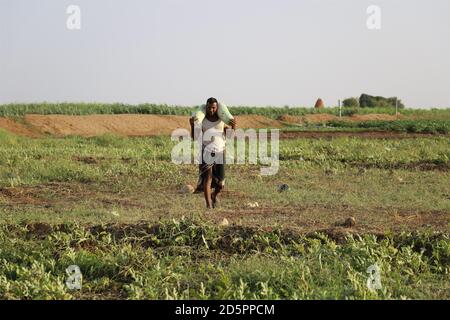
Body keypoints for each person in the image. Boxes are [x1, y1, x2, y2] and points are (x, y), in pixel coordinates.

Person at [189, 97, 236, 209]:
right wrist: (192, 125)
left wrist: (234, 126)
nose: (211, 110)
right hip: (206, 151)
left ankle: (214, 195)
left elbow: (229, 136)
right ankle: (209, 206)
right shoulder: (202, 120)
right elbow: (195, 137)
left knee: (220, 184)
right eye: (209, 108)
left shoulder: (221, 119)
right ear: (206, 107)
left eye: (214, 108)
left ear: (217, 107)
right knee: (207, 178)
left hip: (220, 151)